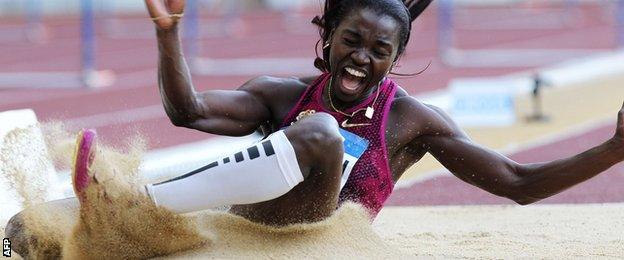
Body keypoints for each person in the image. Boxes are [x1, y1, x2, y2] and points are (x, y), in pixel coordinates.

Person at [6, 0, 624, 257]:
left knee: (322, 134)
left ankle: (134, 203)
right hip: (246, 233)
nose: (362, 57)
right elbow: (188, 112)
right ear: (326, 41)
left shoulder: (411, 121)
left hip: (323, 246)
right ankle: (110, 219)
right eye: (350, 41)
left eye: (378, 50)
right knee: (24, 232)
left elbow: (517, 180)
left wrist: (615, 149)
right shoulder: (282, 96)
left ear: (394, 60)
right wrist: (168, 35)